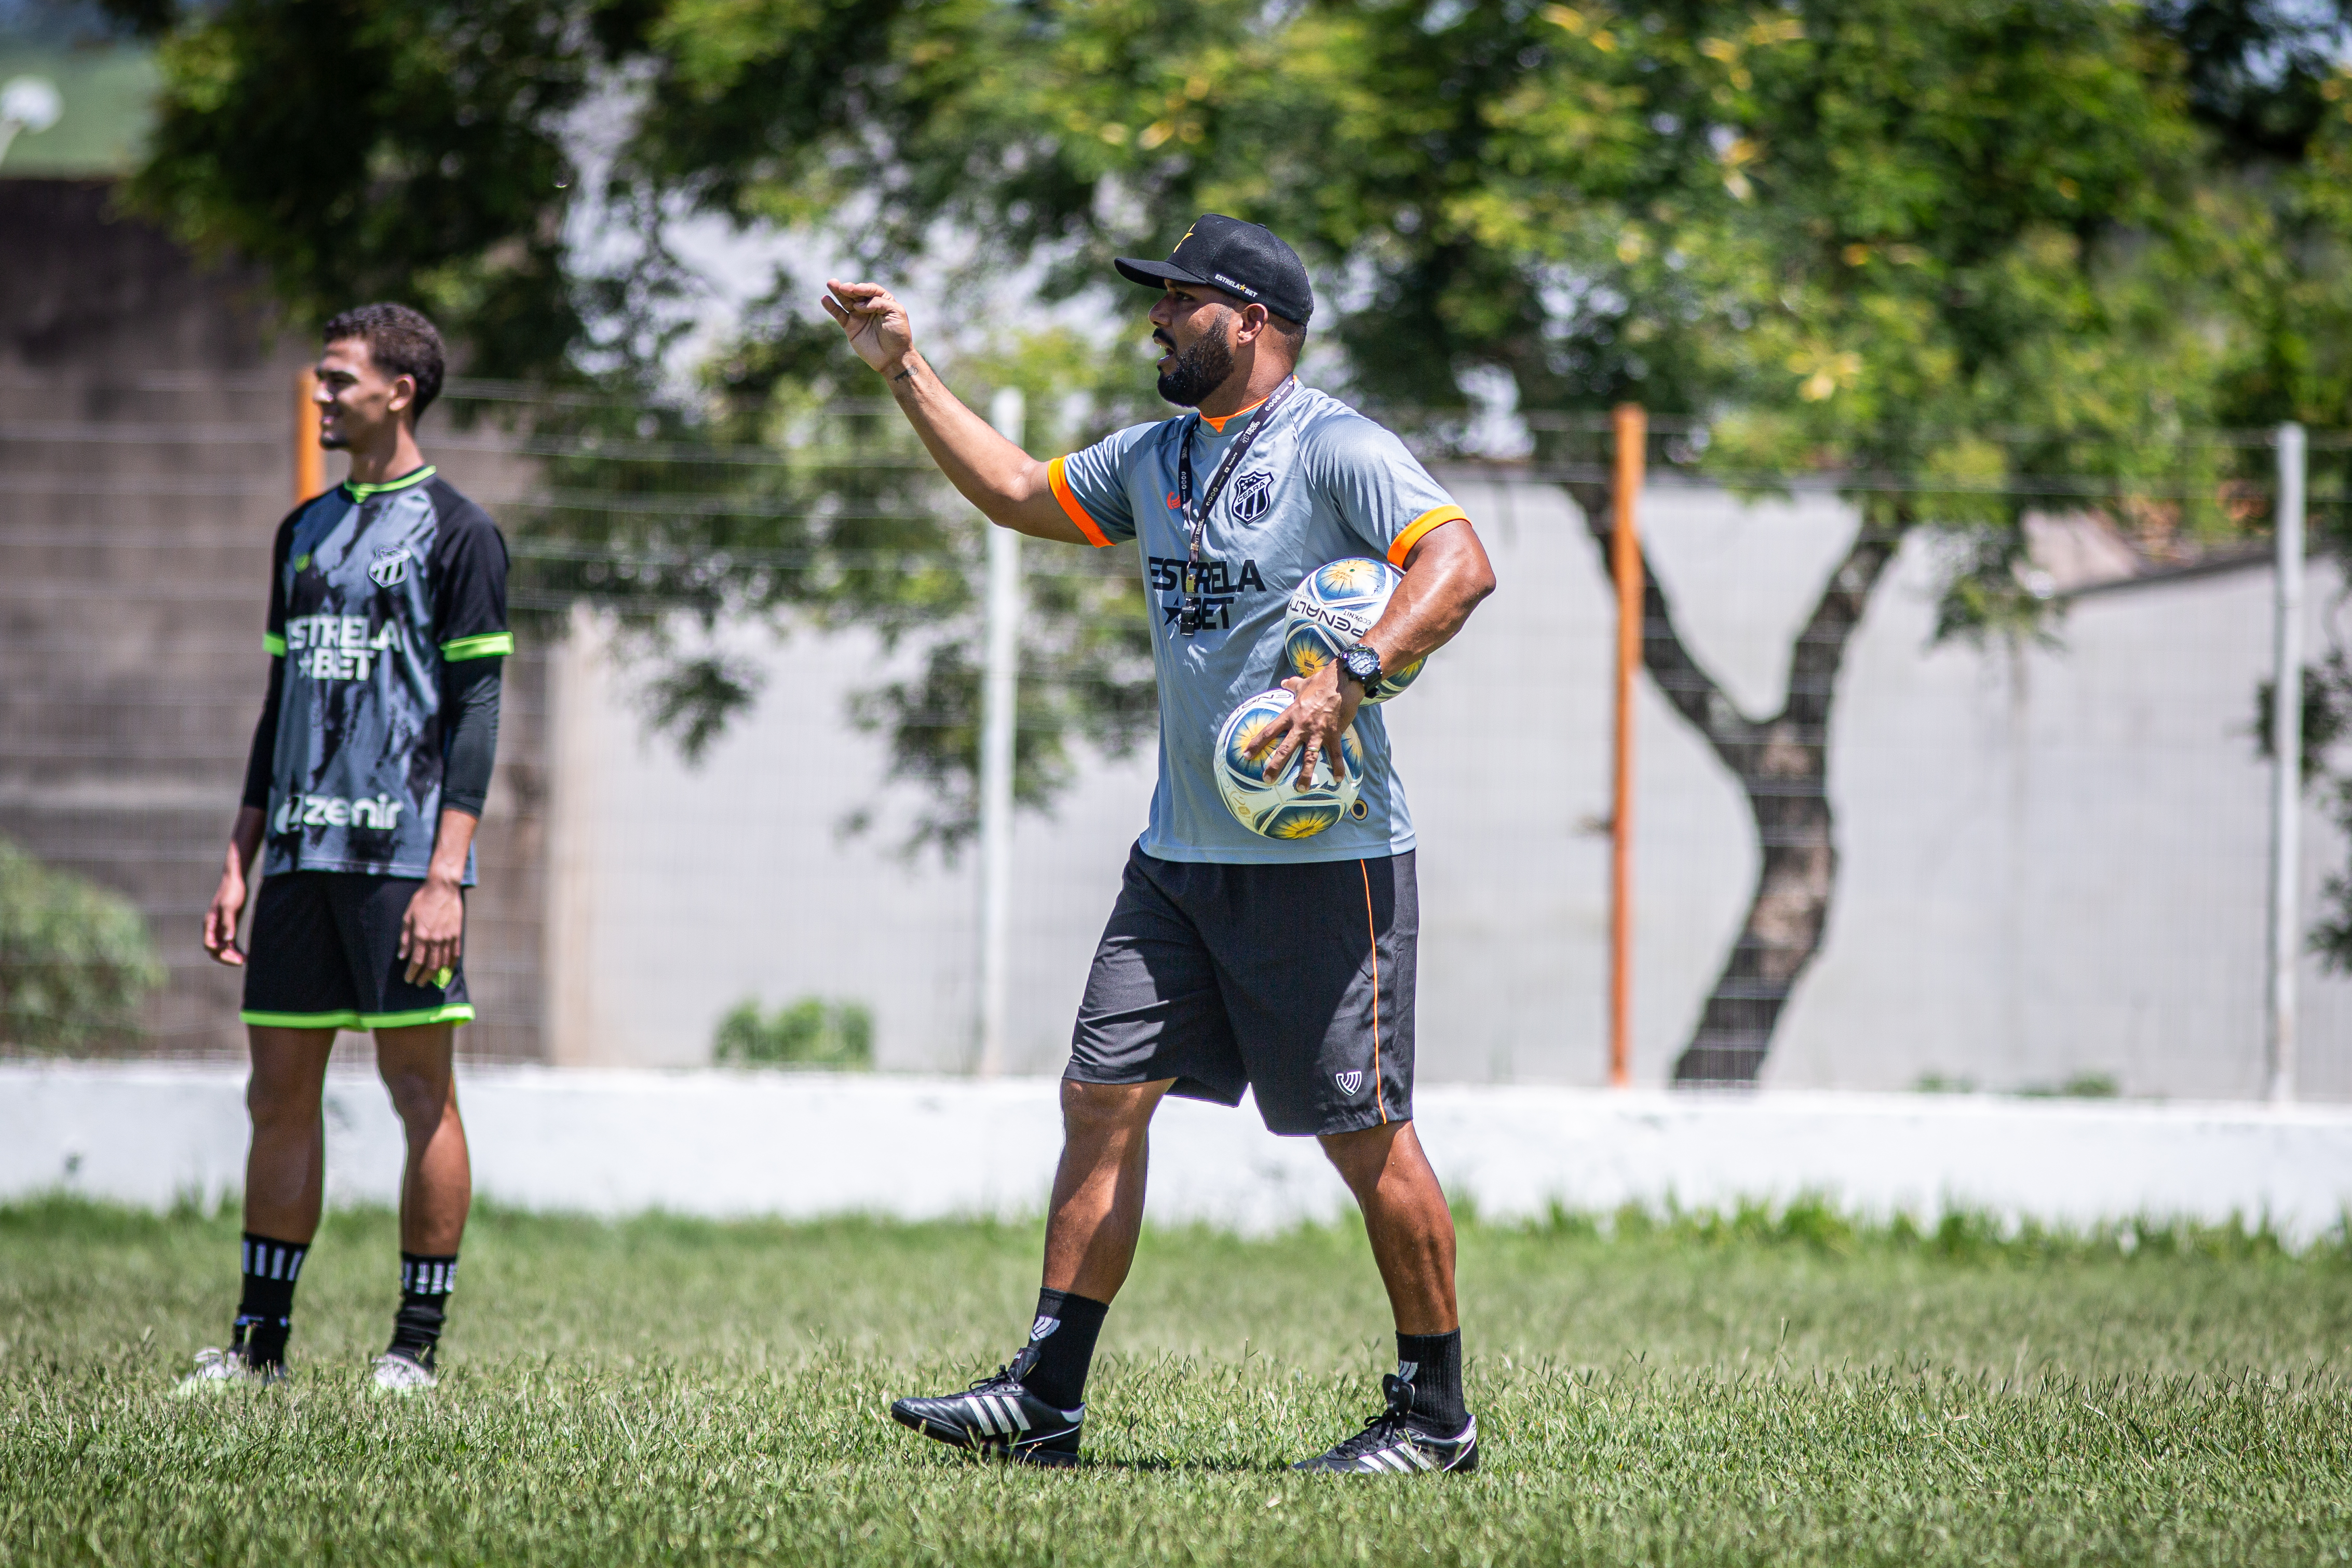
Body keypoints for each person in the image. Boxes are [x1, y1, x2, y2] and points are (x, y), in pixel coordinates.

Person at [823, 214, 1496, 1472]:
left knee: (1364, 1134)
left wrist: (1351, 671)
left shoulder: (1336, 447)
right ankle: (1047, 1396)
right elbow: (1024, 493)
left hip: (1326, 857)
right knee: (1101, 1098)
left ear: (1250, 321)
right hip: (1180, 857)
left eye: (1179, 301)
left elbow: (1458, 563)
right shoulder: (1160, 457)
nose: (1156, 320)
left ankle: (1434, 1415)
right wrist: (902, 369)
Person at [180, 303, 511, 1394]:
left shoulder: (461, 531)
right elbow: (282, 703)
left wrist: (445, 875)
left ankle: (413, 1349)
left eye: (338, 380)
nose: (320, 396)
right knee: (277, 1093)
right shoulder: (304, 530)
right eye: (321, 380)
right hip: (302, 863)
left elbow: (476, 707)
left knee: (422, 1091)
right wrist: (243, 852)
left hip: (403, 866)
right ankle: (259, 1347)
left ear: (399, 391)